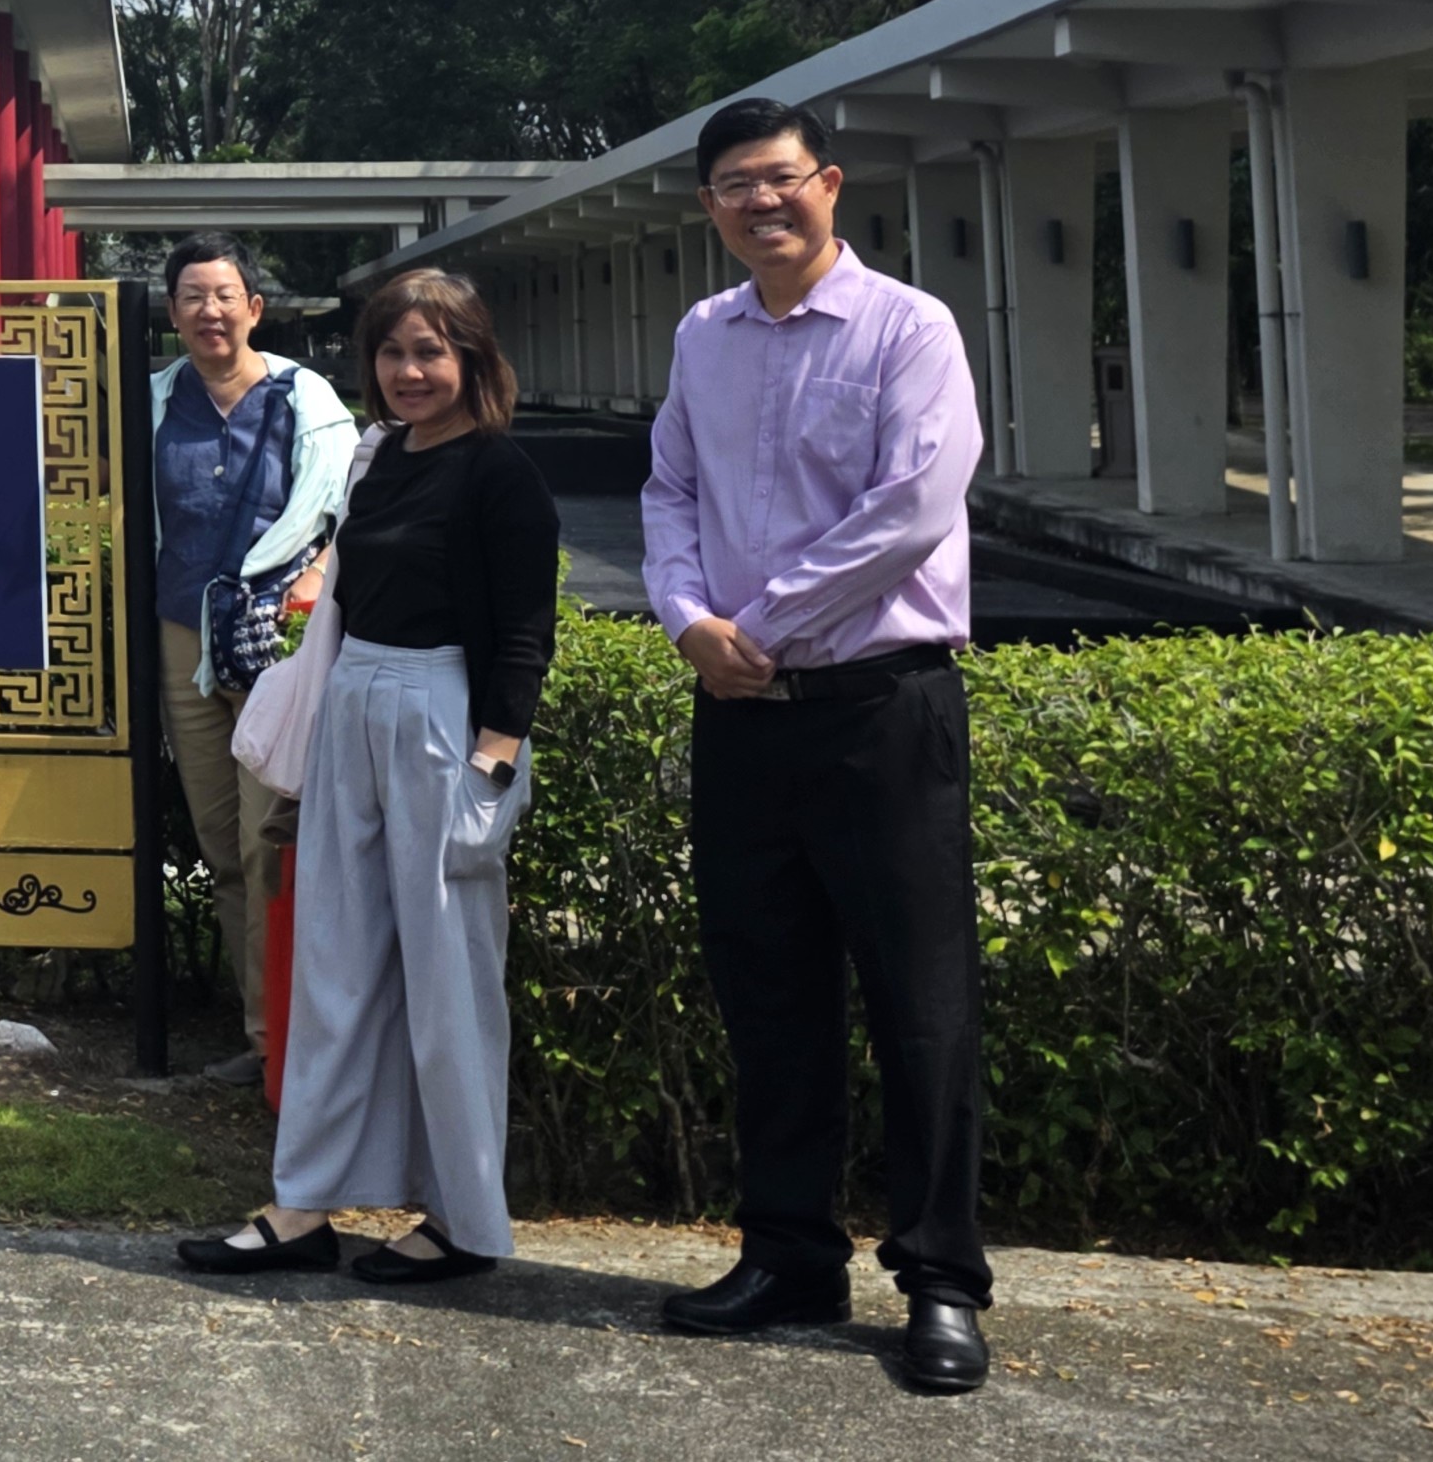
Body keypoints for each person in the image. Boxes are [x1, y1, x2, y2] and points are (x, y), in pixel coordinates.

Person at [640, 97, 990, 1395]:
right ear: (711, 204)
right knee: (768, 991)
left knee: (922, 1006)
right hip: (742, 713)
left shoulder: (912, 329)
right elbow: (668, 487)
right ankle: (789, 1252)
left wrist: (762, 625)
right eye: (735, 184)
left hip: (880, 709)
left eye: (780, 178)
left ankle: (941, 1279)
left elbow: (915, 506)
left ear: (828, 183)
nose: (760, 202)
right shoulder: (702, 335)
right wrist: (687, 620)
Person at [178, 267, 552, 1286]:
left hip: (443, 718)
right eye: (392, 352)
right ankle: (303, 1205)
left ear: (472, 356)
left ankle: (464, 1219)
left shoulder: (499, 472)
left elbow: (523, 630)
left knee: (447, 980)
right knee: (334, 966)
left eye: (431, 351)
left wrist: (492, 760)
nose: (410, 370)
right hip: (353, 703)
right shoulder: (377, 458)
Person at [150, 231, 355, 1087]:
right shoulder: (153, 401)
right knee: (219, 843)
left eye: (225, 295)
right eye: (193, 297)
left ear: (255, 308)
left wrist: (311, 574)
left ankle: (301, 1044)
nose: (210, 311)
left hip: (277, 645)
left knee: (273, 837)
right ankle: (263, 1035)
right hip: (179, 639)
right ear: (173, 315)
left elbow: (349, 509)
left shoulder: (306, 399)